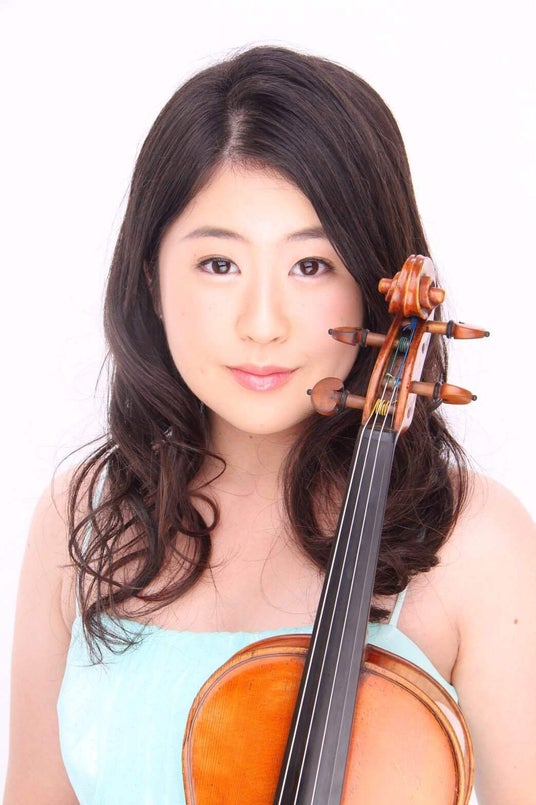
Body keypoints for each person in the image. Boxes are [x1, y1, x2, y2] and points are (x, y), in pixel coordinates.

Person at [4, 45, 535, 805]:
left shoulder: (474, 542)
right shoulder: (82, 520)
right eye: (219, 264)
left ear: (375, 284)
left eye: (311, 266)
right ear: (150, 278)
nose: (262, 323)